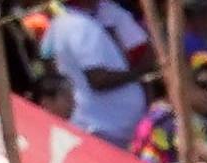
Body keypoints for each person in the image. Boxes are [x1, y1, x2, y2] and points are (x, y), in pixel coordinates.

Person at [47, 0, 153, 145]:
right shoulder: (78, 25)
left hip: (111, 126)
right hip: (103, 129)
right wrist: (140, 72)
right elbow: (98, 79)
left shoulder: (73, 22)